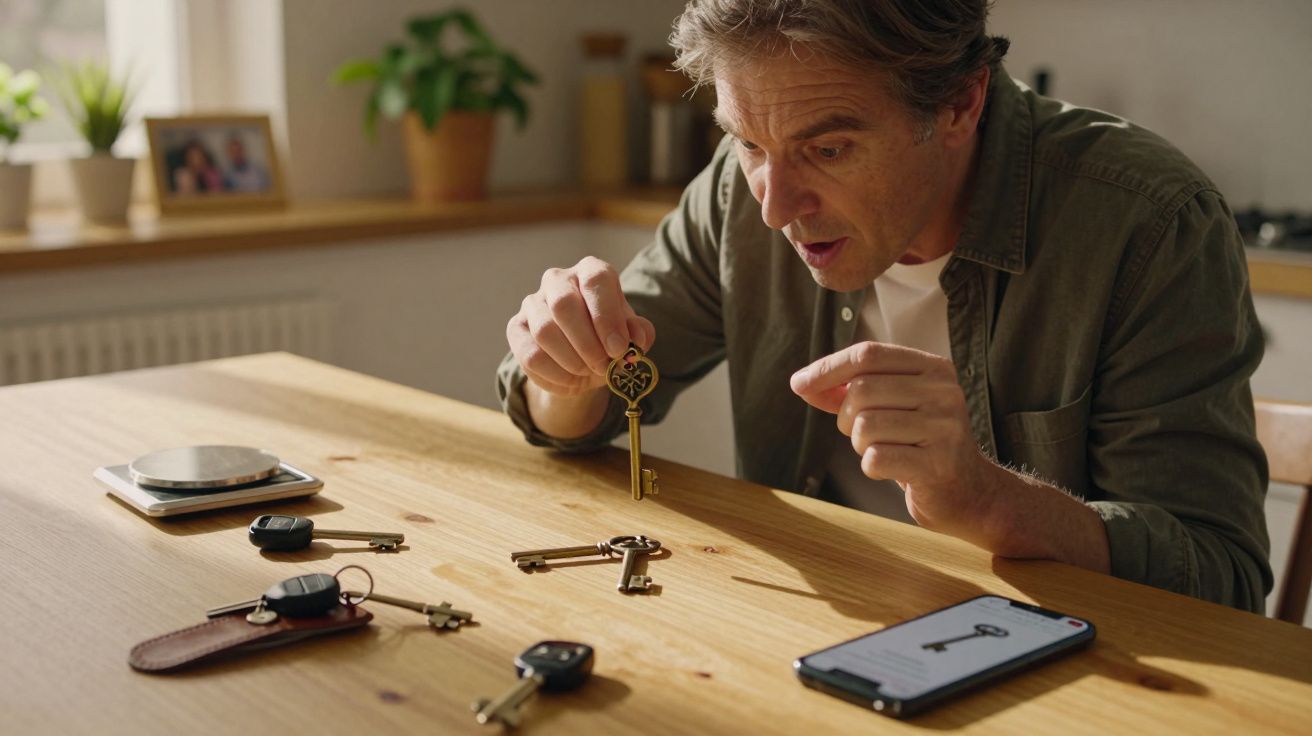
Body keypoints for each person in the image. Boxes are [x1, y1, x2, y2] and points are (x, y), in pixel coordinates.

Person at [496, 0, 1270, 611]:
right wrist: (564, 373)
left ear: (962, 104)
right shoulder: (741, 193)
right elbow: (578, 418)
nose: (774, 207)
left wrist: (990, 499)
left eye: (829, 150)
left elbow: (1220, 577)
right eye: (748, 143)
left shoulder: (1150, 224)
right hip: (803, 635)